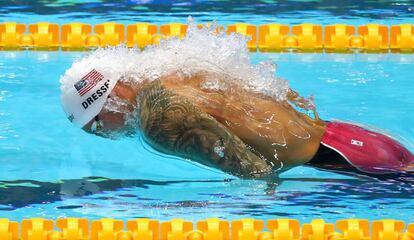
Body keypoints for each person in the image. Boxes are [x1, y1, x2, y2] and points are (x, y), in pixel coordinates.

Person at [60, 26, 413, 179]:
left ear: (114, 95)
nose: (103, 134)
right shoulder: (173, 71)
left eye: (97, 124)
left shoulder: (156, 116)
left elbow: (258, 174)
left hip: (349, 165)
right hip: (351, 139)